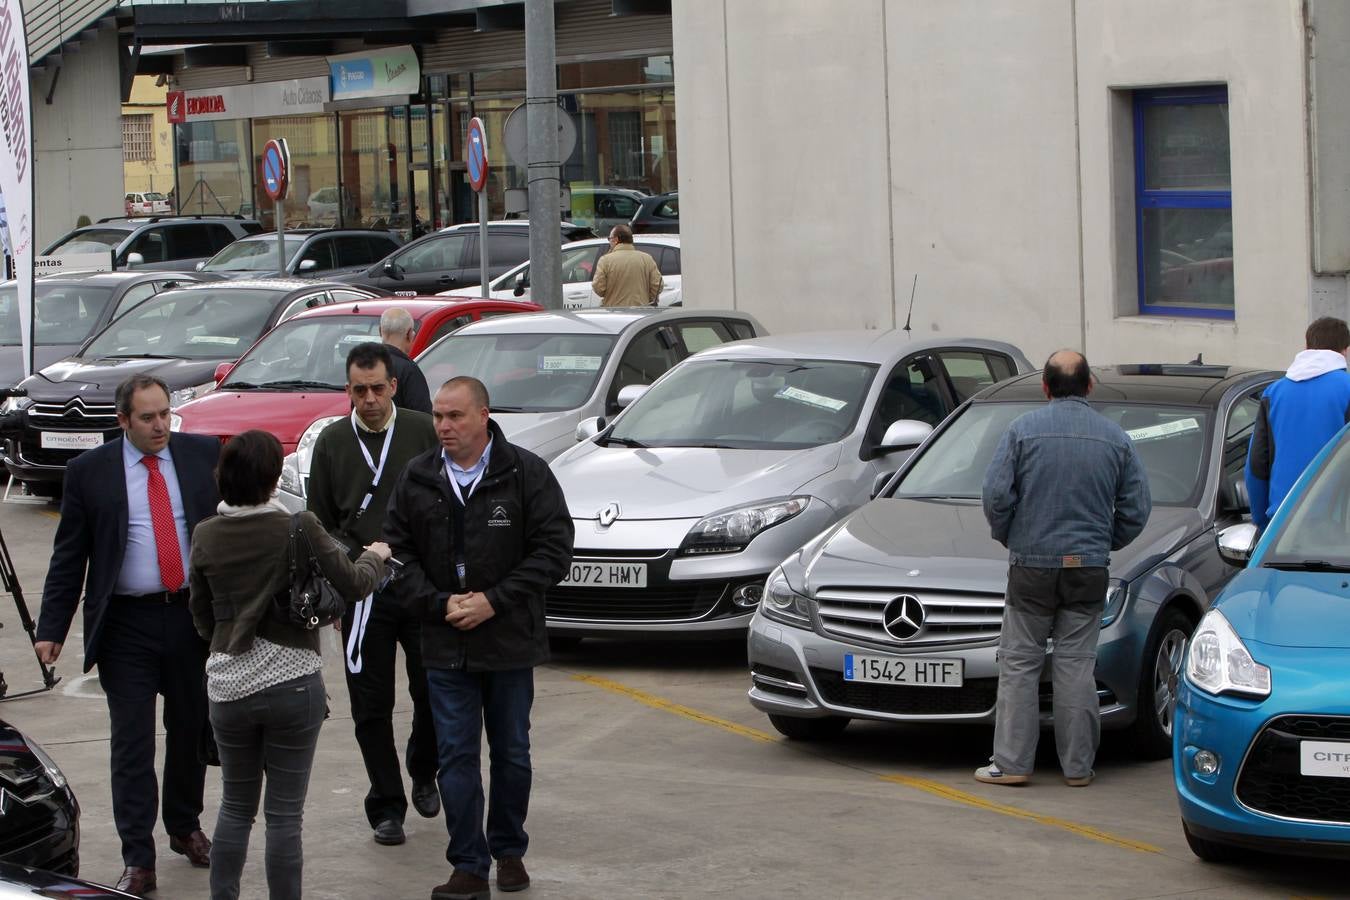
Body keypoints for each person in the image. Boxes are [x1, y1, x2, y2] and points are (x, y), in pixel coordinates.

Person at [384, 376, 573, 900]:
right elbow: (396, 553)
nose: (443, 426)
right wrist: (439, 603)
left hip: (509, 640)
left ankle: (509, 850)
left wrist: (495, 598)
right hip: (444, 644)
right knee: (456, 756)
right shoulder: (418, 477)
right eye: (439, 416)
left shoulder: (525, 473)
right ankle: (468, 864)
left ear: (484, 415)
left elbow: (554, 551)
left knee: (512, 752)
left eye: (455, 416)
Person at [35, 374, 222, 895]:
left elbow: (225, 529)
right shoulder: (88, 472)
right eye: (147, 417)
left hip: (190, 618)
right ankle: (138, 856)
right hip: (125, 625)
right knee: (132, 744)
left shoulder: (200, 454)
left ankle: (184, 826)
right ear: (122, 421)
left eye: (165, 413)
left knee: (191, 729)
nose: (160, 425)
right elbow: (69, 555)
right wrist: (52, 627)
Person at [189, 429, 390, 900]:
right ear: (273, 477)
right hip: (293, 686)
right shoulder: (298, 525)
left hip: (229, 688)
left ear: (223, 477)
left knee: (236, 808)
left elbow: (199, 613)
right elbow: (354, 583)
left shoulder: (205, 534)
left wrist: (226, 643)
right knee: (284, 815)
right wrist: (376, 557)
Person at [977, 351, 1151, 787]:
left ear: (1045, 387)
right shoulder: (1116, 438)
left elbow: (996, 496)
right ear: (1090, 385)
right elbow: (1136, 508)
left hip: (1032, 568)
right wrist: (1102, 542)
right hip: (1088, 569)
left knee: (1020, 664)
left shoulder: (1020, 432)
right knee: (1075, 665)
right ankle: (1078, 768)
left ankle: (1013, 764)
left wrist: (1012, 536)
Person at [306, 342, 441, 846]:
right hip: (363, 588)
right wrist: (346, 572)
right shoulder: (333, 442)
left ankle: (424, 767)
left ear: (393, 387)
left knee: (432, 690)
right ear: (348, 390)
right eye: (358, 390)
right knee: (369, 701)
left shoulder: (422, 430)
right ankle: (386, 804)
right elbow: (319, 521)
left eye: (377, 389)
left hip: (420, 584)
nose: (369, 399)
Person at [1246, 316, 1350, 530]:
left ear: (1307, 346)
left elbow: (1257, 466)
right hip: (1339, 530)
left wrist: (1263, 524)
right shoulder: (1346, 389)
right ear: (1345, 351)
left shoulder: (1274, 393)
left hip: (1284, 527)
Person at [591, 224, 662, 307]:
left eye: (609, 239)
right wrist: (646, 299)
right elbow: (657, 286)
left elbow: (598, 288)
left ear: (616, 240)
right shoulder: (647, 258)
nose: (609, 242)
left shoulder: (605, 260)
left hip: (614, 311)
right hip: (641, 311)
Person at [381, 306, 432, 413]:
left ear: (380, 331)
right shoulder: (409, 370)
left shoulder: (364, 364)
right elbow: (423, 417)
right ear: (409, 334)